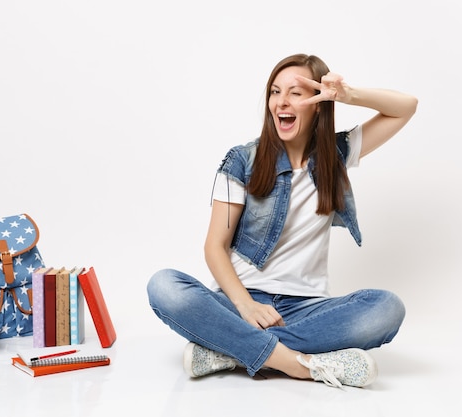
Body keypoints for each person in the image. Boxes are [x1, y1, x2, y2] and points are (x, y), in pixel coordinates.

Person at [146, 53, 418, 389]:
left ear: (318, 103)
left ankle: (230, 351)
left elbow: (406, 106)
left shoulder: (338, 154)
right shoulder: (242, 161)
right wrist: (245, 306)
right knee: (164, 286)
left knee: (386, 308)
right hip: (239, 301)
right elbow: (214, 246)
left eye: (295, 93)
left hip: (306, 309)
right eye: (275, 92)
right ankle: (298, 364)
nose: (281, 102)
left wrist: (349, 96)